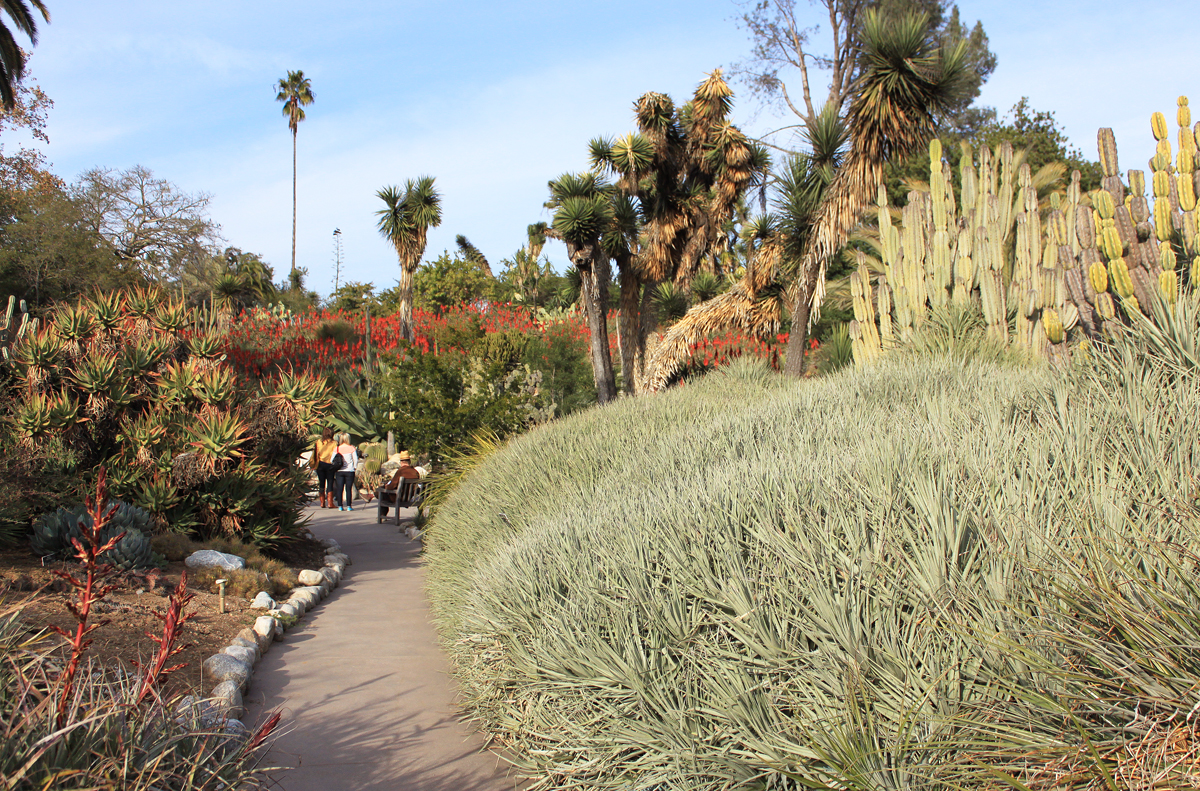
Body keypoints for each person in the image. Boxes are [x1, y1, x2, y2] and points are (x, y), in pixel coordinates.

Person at [378, 450, 421, 518]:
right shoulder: (415, 472)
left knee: (381, 492)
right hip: (410, 497)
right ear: (409, 462)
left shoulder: (400, 471)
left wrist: (386, 487)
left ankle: (383, 515)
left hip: (399, 498)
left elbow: (391, 486)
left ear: (401, 462)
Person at [309, 427, 338, 508]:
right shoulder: (334, 443)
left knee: (321, 483)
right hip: (330, 464)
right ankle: (330, 503)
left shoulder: (319, 441)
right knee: (330, 482)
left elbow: (316, 453)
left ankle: (322, 503)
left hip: (320, 464)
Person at [333, 432, 359, 511]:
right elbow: (355, 459)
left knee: (340, 489)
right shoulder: (352, 448)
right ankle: (349, 506)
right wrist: (354, 467)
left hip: (339, 471)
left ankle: (340, 506)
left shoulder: (337, 448)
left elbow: (332, 459)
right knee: (348, 489)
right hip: (349, 470)